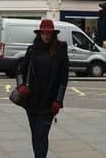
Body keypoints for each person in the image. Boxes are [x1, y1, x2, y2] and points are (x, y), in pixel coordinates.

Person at [14, 19, 69, 158]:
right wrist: (21, 85)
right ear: (39, 33)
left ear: (53, 34)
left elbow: (63, 78)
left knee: (42, 134)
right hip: (31, 100)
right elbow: (21, 69)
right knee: (35, 135)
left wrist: (58, 100)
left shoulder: (60, 51)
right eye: (43, 33)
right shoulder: (32, 49)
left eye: (48, 33)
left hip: (48, 103)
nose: (46, 36)